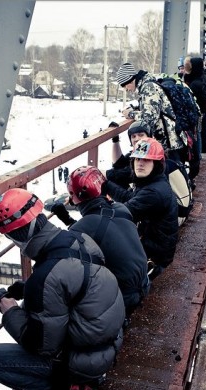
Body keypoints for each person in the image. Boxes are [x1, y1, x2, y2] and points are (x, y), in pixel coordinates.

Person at [0, 188, 125, 390]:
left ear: (14, 237)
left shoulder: (45, 278)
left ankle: (71, 389)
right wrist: (28, 289)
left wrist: (9, 311)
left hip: (85, 362)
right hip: (109, 343)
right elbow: (75, 285)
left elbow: (42, 346)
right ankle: (86, 377)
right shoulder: (80, 239)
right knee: (36, 310)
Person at [50, 166, 150, 322]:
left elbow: (86, 233)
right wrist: (70, 221)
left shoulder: (82, 228)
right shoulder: (121, 209)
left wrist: (66, 219)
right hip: (144, 282)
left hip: (124, 297)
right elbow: (98, 229)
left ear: (74, 197)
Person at [102, 138, 179, 279]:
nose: (140, 164)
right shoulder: (153, 182)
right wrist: (106, 185)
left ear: (156, 164)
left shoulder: (154, 192)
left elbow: (120, 213)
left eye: (147, 160)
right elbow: (130, 198)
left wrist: (89, 203)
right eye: (137, 159)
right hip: (154, 247)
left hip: (155, 258)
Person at [115, 62, 185, 163]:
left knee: (171, 173)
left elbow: (150, 118)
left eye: (125, 86)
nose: (126, 90)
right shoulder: (147, 85)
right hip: (169, 140)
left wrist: (130, 114)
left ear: (129, 81)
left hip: (168, 142)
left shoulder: (148, 88)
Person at [182, 56, 206, 179]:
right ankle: (199, 154)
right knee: (200, 132)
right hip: (202, 112)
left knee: (196, 134)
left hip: (197, 113)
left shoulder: (195, 84)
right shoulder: (202, 79)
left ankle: (197, 157)